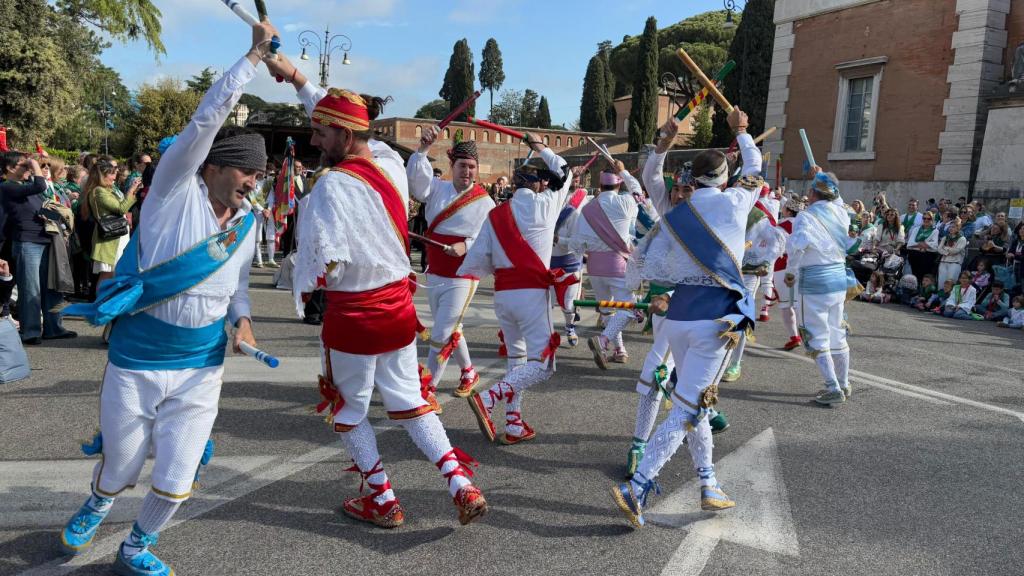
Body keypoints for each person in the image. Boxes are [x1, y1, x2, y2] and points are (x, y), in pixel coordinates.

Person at [57, 22, 272, 575]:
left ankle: (136, 546)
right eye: (248, 171)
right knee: (123, 465)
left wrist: (243, 323)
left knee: (177, 477)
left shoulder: (246, 224)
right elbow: (205, 119)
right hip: (138, 357)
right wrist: (251, 58)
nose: (254, 182)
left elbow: (238, 288)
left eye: (260, 175)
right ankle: (101, 498)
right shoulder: (173, 193)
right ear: (214, 166)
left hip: (203, 365)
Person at [266, 49, 488, 527]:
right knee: (410, 402)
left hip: (354, 317)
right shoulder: (388, 162)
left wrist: (303, 287)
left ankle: (383, 499)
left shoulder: (329, 186)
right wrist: (298, 77)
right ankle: (460, 482)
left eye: (321, 132)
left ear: (344, 135)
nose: (313, 136)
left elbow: (322, 263)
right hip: (399, 310)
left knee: (347, 408)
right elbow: (338, 114)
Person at [612, 108, 758, 529]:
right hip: (715, 322)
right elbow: (757, 166)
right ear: (724, 178)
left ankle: (709, 482)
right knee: (687, 408)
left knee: (697, 402)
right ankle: (637, 486)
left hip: (675, 319)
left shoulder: (673, 210)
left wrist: (663, 143)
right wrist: (743, 131)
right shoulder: (735, 202)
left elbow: (651, 179)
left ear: (693, 177)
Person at [457, 139, 573, 446]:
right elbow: (566, 172)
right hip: (531, 294)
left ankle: (514, 422)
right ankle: (489, 398)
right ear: (538, 184)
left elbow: (481, 257)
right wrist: (542, 146)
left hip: (503, 296)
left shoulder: (496, 214)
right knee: (544, 365)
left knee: (516, 359)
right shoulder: (546, 204)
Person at [408, 127, 495, 403]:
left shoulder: (486, 202)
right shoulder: (438, 188)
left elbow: (488, 238)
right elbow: (416, 187)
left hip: (463, 274)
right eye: (462, 166)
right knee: (452, 327)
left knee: (442, 332)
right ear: (451, 166)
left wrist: (466, 245)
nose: (467, 171)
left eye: (471, 167)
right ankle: (469, 371)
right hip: (435, 271)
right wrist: (422, 150)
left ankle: (428, 388)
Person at [784, 168, 853, 406]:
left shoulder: (806, 216)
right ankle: (844, 382)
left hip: (813, 282)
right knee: (837, 331)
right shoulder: (842, 213)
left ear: (813, 193)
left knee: (816, 334)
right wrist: (823, 175)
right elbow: (838, 199)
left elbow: (797, 247)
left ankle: (833, 386)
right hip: (838, 281)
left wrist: (791, 272)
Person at [0, 151, 75, 344]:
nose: (28, 169)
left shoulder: (27, 187)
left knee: (52, 287)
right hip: (27, 242)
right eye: (22, 166)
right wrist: (34, 165)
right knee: (30, 288)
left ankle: (54, 328)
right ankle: (31, 331)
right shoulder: (7, 187)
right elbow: (41, 184)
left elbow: (43, 201)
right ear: (9, 169)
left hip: (45, 240)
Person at [573, 163, 642, 368]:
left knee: (608, 311)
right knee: (628, 309)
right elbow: (638, 192)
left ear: (599, 185)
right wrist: (624, 171)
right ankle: (603, 341)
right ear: (619, 185)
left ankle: (620, 350)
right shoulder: (626, 203)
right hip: (618, 265)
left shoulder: (587, 209)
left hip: (594, 268)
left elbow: (577, 245)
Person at [81, 156, 141, 285]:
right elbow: (121, 208)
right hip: (109, 239)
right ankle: (100, 303)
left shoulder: (107, 190)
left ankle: (106, 302)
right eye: (112, 175)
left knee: (113, 275)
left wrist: (133, 191)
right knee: (107, 276)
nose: (115, 178)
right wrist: (130, 191)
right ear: (102, 175)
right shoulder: (99, 191)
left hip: (116, 237)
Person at [549, 166, 590, 346]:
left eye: (577, 177)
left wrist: (559, 239)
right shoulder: (550, 199)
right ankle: (547, 333)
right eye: (572, 177)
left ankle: (569, 327)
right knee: (547, 302)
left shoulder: (584, 200)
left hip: (571, 260)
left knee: (568, 303)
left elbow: (580, 239)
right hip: (549, 260)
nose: (575, 180)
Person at [770, 194, 806, 350]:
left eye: (784, 207)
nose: (782, 209)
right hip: (802, 267)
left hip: (782, 267)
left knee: (786, 304)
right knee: (798, 304)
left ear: (789, 211)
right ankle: (808, 335)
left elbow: (774, 250)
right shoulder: (804, 226)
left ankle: (794, 336)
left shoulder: (779, 227)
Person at [905, 210, 939, 279]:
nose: (926, 220)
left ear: (932, 220)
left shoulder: (935, 231)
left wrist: (917, 244)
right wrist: (925, 244)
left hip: (927, 257)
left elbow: (935, 247)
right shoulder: (916, 229)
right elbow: (909, 244)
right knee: (914, 276)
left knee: (924, 277)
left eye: (928, 219)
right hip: (914, 256)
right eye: (924, 218)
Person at [937, 220, 967, 287]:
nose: (951, 228)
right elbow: (939, 249)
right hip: (944, 261)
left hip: (955, 263)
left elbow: (956, 251)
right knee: (941, 282)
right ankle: (941, 295)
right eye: (950, 227)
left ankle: (951, 296)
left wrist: (945, 248)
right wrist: (947, 253)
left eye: (953, 227)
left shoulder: (962, 239)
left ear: (958, 228)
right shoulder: (945, 237)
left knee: (951, 282)